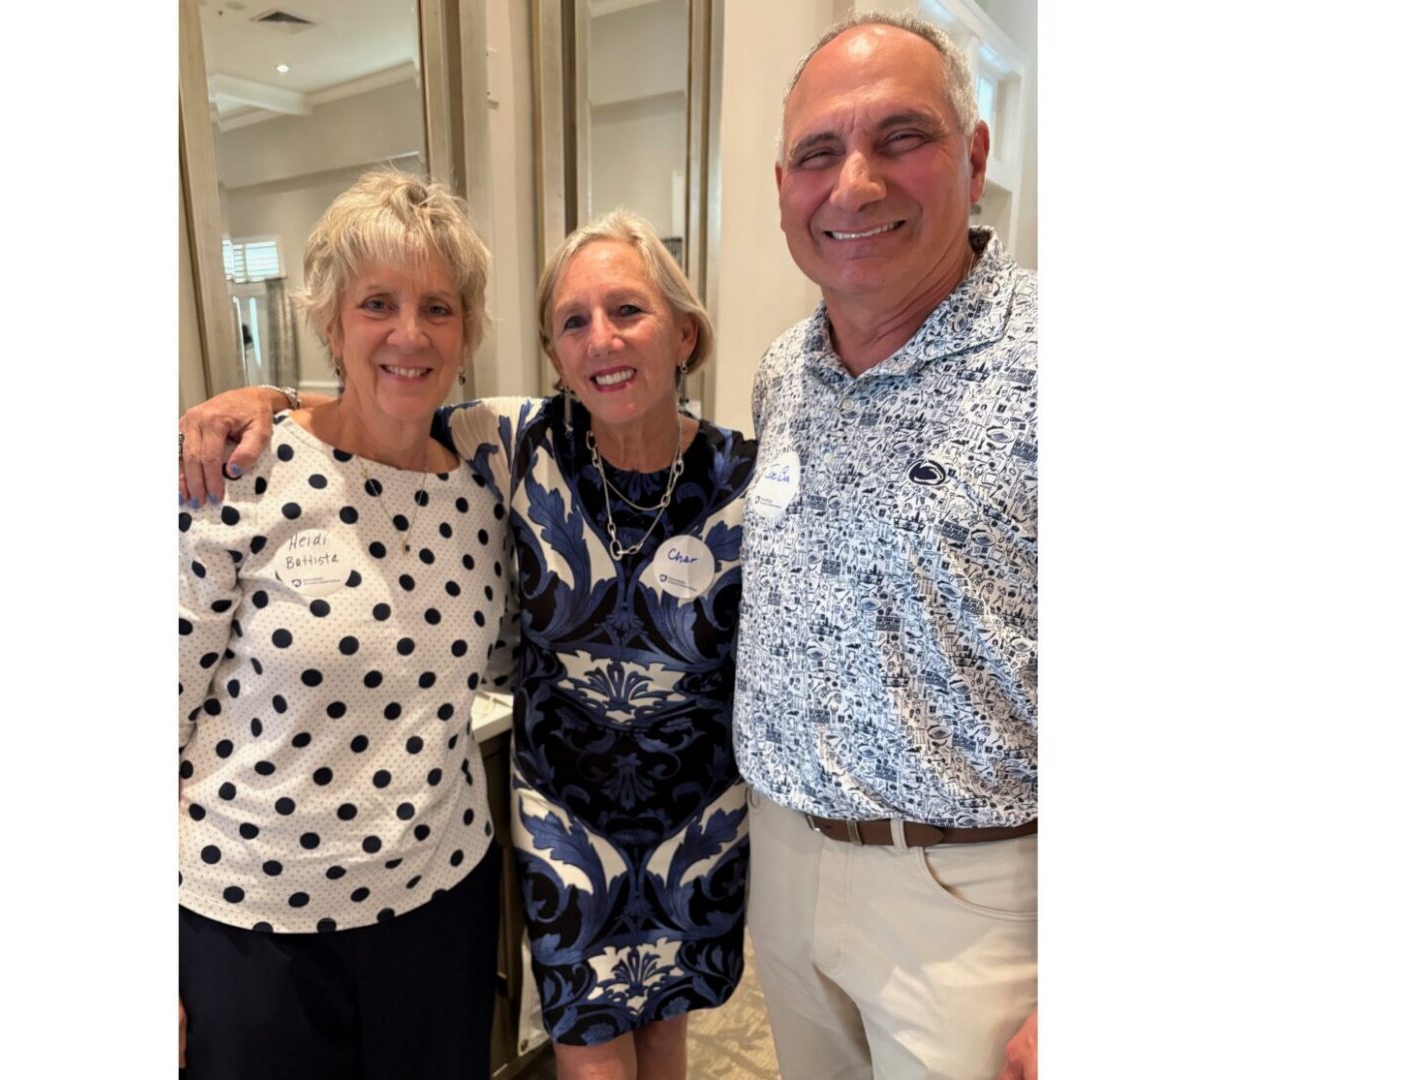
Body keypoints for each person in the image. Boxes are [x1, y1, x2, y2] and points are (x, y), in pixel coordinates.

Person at [180, 209, 757, 1080]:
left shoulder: (728, 475)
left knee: (664, 1035)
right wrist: (265, 398)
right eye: (573, 321)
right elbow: (372, 409)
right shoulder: (510, 446)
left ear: (685, 333)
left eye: (438, 308)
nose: (601, 340)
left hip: (631, 842)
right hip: (511, 843)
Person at [735, 13, 1039, 1080]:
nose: (854, 184)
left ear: (974, 157)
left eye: (900, 137)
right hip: (787, 862)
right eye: (819, 153)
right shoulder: (784, 371)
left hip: (974, 900)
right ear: (785, 187)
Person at [177, 168, 515, 1080]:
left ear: (467, 333)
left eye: (437, 307)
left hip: (439, 909)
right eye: (377, 304)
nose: (410, 333)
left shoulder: (482, 489)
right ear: (329, 323)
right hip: (252, 925)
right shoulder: (238, 471)